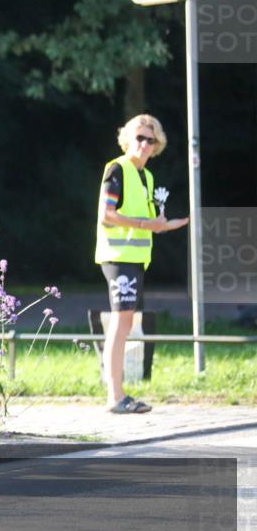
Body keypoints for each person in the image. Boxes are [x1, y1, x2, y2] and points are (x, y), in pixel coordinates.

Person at [95, 114, 188, 414]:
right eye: (140, 138)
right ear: (127, 139)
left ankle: (118, 394)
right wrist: (145, 223)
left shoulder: (146, 177)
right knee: (120, 323)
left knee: (124, 323)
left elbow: (148, 223)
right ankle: (114, 396)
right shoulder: (117, 169)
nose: (145, 144)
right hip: (117, 257)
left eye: (151, 140)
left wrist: (166, 225)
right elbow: (108, 215)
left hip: (135, 259)